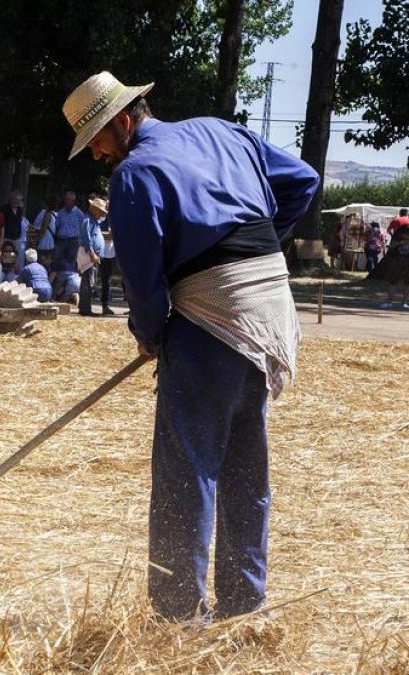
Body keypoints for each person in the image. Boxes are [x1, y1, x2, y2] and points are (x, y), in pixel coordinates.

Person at [64, 71, 319, 621]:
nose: (97, 156)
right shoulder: (222, 131)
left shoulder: (133, 174)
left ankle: (180, 617)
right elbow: (303, 180)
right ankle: (245, 604)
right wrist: (255, 250)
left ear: (123, 121)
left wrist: (153, 338)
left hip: (212, 322)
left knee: (188, 469)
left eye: (98, 142)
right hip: (268, 314)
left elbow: (143, 282)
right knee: (244, 465)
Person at [77, 198, 106, 316]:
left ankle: (85, 307)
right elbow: (86, 238)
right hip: (88, 254)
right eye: (100, 210)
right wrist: (92, 253)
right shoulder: (87, 220)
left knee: (89, 282)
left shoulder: (92, 220)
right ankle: (85, 309)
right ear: (94, 209)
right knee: (87, 282)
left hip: (91, 254)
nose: (102, 213)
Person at [371, 224, 409, 309]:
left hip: (403, 260)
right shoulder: (402, 230)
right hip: (398, 260)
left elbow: (392, 244)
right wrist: (401, 243)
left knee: (404, 282)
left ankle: (402, 303)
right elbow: (392, 244)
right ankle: (392, 302)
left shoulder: (401, 230)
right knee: (394, 281)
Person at [94, 198, 118, 315]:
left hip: (108, 253)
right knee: (91, 279)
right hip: (95, 252)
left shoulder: (113, 219)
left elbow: (110, 236)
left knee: (106, 280)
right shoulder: (98, 218)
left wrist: (97, 233)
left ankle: (105, 305)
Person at [53, 191, 85, 267]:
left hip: (73, 241)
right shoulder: (61, 212)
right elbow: (57, 226)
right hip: (61, 241)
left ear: (73, 201)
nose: (66, 201)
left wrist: (80, 242)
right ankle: (60, 278)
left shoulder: (79, 213)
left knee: (71, 262)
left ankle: (69, 278)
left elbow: (82, 228)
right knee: (59, 261)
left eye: (68, 199)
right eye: (65, 199)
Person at [2, 190, 29, 272]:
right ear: (10, 199)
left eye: (19, 200)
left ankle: (17, 276)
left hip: (18, 238)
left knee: (19, 260)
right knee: (8, 261)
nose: (17, 202)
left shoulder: (20, 210)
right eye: (15, 200)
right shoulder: (4, 209)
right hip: (7, 238)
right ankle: (7, 276)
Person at [29, 194, 59, 266]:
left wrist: (36, 241)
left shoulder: (47, 215)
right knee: (48, 264)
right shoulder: (57, 215)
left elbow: (43, 230)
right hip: (52, 244)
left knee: (40, 263)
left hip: (44, 244)